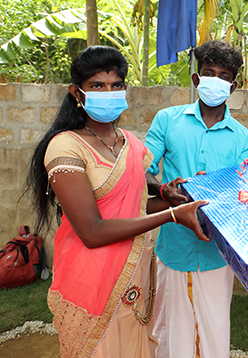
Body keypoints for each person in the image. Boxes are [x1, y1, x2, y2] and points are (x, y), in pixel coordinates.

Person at [25, 46, 208, 358]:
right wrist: (174, 215)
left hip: (134, 275)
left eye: (116, 85)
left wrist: (180, 198)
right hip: (91, 281)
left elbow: (137, 206)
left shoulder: (130, 143)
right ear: (77, 93)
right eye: (97, 85)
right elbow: (92, 231)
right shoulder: (65, 147)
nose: (108, 93)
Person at [145, 40, 248, 358]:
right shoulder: (167, 120)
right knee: (169, 335)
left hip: (216, 253)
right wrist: (164, 190)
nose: (215, 81)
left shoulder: (242, 137)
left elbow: (242, 193)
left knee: (214, 333)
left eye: (224, 76)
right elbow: (142, 172)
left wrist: (216, 190)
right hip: (174, 246)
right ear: (196, 78)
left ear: (233, 86)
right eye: (209, 73)